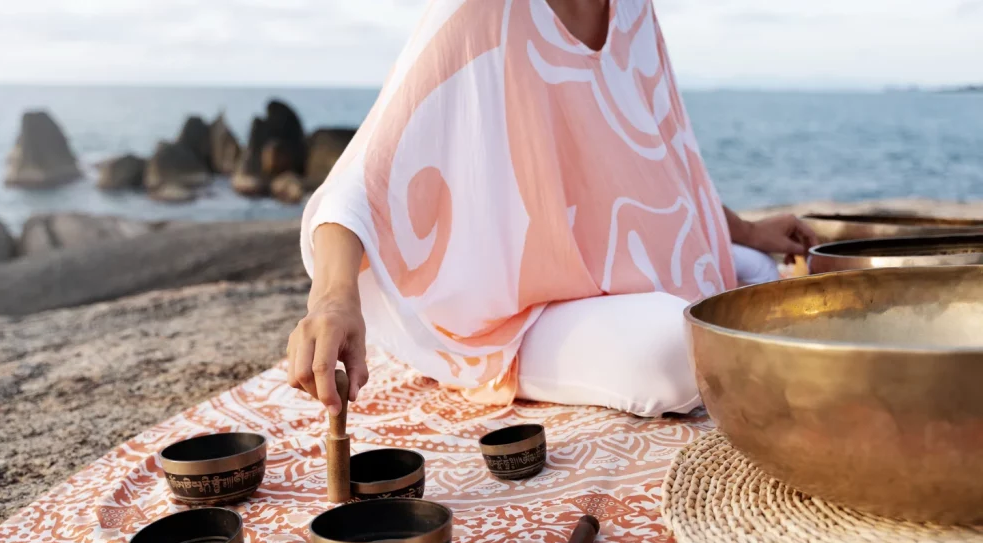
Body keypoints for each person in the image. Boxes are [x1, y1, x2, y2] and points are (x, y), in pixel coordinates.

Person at [287, 0, 817, 418]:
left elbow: (658, 165)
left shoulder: (633, 9)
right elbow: (363, 176)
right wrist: (333, 298)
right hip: (515, 299)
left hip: (606, 270)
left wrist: (746, 229)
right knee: (679, 350)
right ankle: (473, 359)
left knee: (754, 273)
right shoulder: (480, 9)